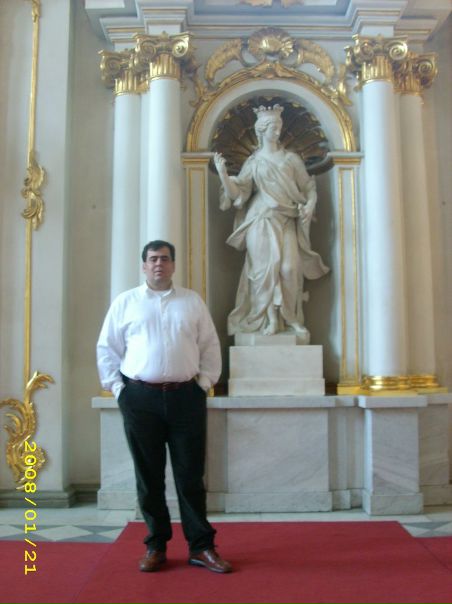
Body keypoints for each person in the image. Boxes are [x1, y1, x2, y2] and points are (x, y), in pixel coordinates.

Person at [96, 240, 231, 574]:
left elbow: (210, 345)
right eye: (153, 259)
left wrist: (203, 385)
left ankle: (201, 546)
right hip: (140, 399)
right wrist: (119, 391)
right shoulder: (126, 303)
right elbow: (107, 348)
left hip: (186, 397)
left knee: (190, 476)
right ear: (144, 265)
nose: (159, 264)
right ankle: (156, 546)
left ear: (173, 265)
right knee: (149, 476)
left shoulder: (191, 301)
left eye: (165, 259)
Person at [214, 104, 329, 343]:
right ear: (261, 130)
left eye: (279, 127)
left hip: (287, 219)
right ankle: (269, 319)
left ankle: (290, 317)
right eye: (273, 127)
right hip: (261, 219)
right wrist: (223, 175)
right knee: (264, 272)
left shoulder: (291, 159)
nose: (277, 131)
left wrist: (310, 205)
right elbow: (239, 193)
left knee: (289, 269)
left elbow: (308, 187)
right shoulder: (254, 162)